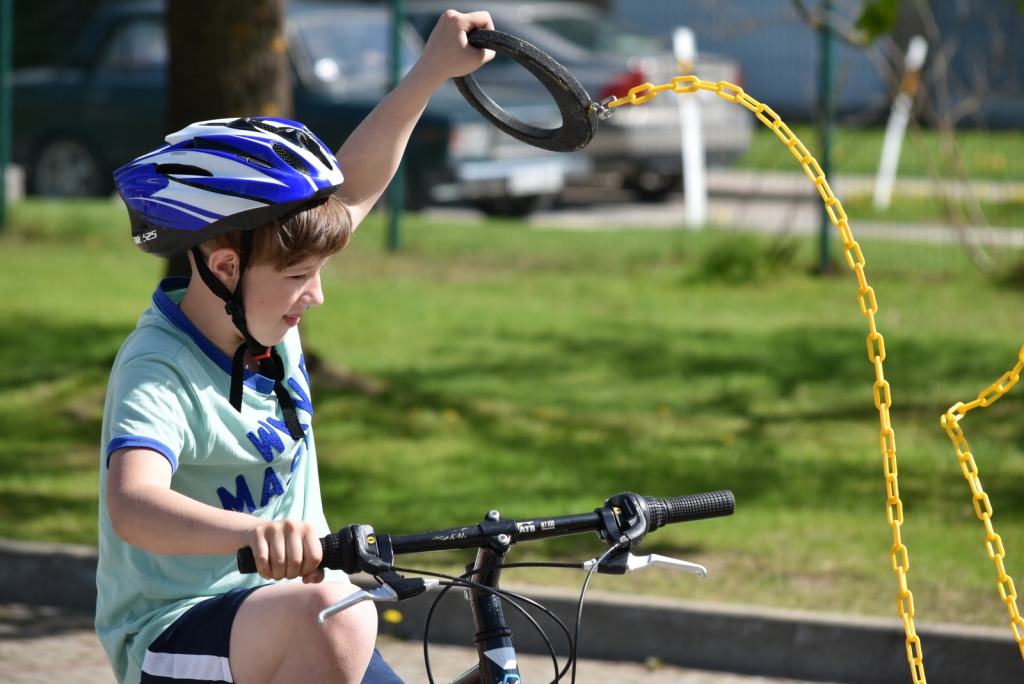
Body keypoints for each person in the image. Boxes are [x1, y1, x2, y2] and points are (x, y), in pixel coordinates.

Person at [96, 10, 496, 684]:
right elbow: (133, 502)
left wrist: (431, 72)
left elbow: (356, 184)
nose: (314, 298)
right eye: (297, 279)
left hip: (297, 614)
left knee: (337, 612)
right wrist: (251, 536)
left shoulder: (264, 320)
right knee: (338, 611)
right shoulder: (158, 366)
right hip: (176, 628)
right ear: (224, 268)